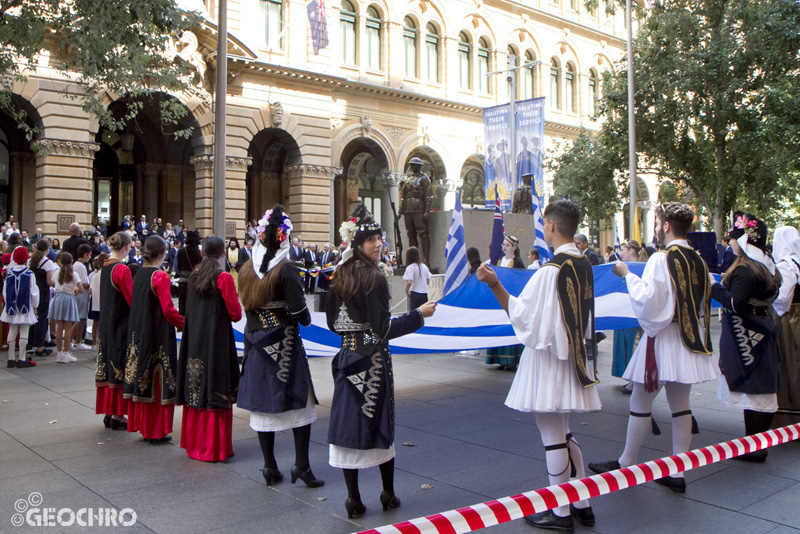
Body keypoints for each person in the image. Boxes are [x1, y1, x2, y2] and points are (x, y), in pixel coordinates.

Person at [476, 199, 600, 531]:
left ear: (552, 227)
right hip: (572, 356)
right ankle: (583, 503)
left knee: (552, 436)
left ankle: (560, 512)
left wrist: (493, 283)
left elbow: (523, 316)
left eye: (544, 223)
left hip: (550, 359)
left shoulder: (551, 270)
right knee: (565, 431)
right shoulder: (584, 263)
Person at [589, 202, 718, 493]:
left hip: (662, 340)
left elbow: (649, 302)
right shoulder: (698, 260)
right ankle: (678, 471)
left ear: (667, 226)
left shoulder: (662, 258)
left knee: (639, 403)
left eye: (658, 223)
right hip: (687, 340)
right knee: (681, 406)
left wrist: (626, 274)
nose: (657, 228)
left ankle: (626, 463)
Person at [326, 204, 436, 519]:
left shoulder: (340, 274)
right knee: (378, 424)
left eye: (379, 237)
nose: (377, 243)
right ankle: (387, 494)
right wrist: (418, 315)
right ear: (357, 243)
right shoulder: (373, 278)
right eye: (371, 239)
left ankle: (353, 499)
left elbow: (335, 324)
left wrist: (357, 338)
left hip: (347, 357)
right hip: (371, 361)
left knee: (349, 424)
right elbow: (383, 330)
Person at [237, 206, 324, 488]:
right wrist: (305, 318)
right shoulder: (285, 269)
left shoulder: (247, 268)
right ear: (284, 237)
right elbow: (301, 313)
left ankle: (269, 466)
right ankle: (302, 464)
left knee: (264, 404)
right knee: (300, 401)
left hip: (256, 343)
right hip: (284, 344)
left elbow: (248, 309)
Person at [710, 212, 780, 462]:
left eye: (733, 237)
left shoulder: (746, 269)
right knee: (759, 389)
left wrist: (713, 286)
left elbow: (736, 303)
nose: (729, 242)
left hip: (747, 334)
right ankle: (755, 444)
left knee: (754, 389)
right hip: (761, 329)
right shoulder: (766, 264)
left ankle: (755, 446)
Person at [176, 235, 242, 462]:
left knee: (196, 386)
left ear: (203, 253)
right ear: (223, 254)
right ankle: (214, 447)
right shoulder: (223, 278)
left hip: (195, 340)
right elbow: (235, 313)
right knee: (215, 386)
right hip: (217, 340)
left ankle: (194, 444)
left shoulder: (193, 278)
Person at [124, 236, 184, 443]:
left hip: (139, 329)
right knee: (159, 377)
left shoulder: (139, 274)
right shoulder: (160, 276)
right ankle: (156, 430)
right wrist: (185, 324)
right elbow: (168, 309)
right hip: (157, 331)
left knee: (142, 374)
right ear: (163, 254)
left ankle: (143, 426)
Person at [96, 233, 134, 430]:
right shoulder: (121, 269)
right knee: (120, 366)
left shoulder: (105, 266)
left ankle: (109, 412)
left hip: (107, 323)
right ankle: (118, 415)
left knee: (109, 365)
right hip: (121, 323)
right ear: (127, 247)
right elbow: (131, 299)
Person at [611, 241, 648, 395]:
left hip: (637, 312)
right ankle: (633, 379)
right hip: (628, 310)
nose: (622, 252)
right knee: (632, 345)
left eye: (624, 249)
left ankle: (636, 380)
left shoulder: (642, 267)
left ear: (632, 251)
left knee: (637, 345)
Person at [772, 226, 800, 427]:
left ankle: (790, 419)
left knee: (790, 365)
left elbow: (782, 300)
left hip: (789, 320)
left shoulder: (787, 266)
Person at [486, 234, 525, 369]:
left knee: (510, 327)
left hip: (511, 298)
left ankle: (511, 360)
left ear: (514, 248)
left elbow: (520, 280)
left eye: (507, 245)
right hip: (499, 299)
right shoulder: (498, 262)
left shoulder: (518, 262)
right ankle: (499, 359)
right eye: (503, 245)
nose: (504, 247)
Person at [3, 247, 39, 368]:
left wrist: (8, 303)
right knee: (24, 330)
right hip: (25, 306)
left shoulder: (9, 273)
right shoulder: (29, 274)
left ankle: (11, 358)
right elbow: (34, 292)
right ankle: (22, 358)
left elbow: (5, 292)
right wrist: (35, 305)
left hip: (12, 306)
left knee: (12, 330)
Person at [49, 252, 84, 363]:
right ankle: (66, 352)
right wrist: (75, 290)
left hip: (58, 298)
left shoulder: (57, 272)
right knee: (68, 327)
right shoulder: (74, 274)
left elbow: (54, 283)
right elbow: (81, 289)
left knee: (59, 327)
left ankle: (59, 354)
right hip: (68, 299)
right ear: (71, 261)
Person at [399, 157, 433, 265]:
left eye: (413, 164)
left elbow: (429, 196)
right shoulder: (408, 179)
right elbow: (403, 197)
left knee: (423, 233)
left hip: (419, 208)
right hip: (408, 209)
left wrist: (427, 211)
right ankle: (413, 260)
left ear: (418, 166)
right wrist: (400, 210)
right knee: (411, 234)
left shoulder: (424, 178)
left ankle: (426, 259)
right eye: (411, 164)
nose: (411, 166)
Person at [30, 239, 55, 359]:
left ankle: (30, 342)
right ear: (47, 249)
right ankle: (40, 346)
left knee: (32, 318)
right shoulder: (47, 262)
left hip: (32, 290)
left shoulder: (31, 260)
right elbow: (49, 281)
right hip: (43, 292)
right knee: (42, 318)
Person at [71, 244, 93, 352]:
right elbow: (84, 283)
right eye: (89, 255)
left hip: (77, 294)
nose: (90, 257)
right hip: (82, 294)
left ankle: (73, 340)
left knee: (79, 317)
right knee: (80, 318)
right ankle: (77, 341)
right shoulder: (81, 266)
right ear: (85, 254)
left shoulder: (76, 265)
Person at [176, 230, 202, 315]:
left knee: (183, 309)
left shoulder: (181, 251)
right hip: (196, 283)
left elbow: (177, 267)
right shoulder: (200, 253)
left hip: (183, 282)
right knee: (195, 310)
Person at [87, 252, 108, 350]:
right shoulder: (106, 275)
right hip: (104, 303)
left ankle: (94, 343)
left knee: (96, 323)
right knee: (103, 324)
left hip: (95, 302)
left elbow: (90, 290)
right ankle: (101, 343)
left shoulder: (95, 276)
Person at [403, 247, 431, 311]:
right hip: (424, 293)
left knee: (414, 314)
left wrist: (406, 290)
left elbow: (409, 282)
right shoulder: (424, 266)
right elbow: (427, 281)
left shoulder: (411, 267)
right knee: (423, 313)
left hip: (415, 293)